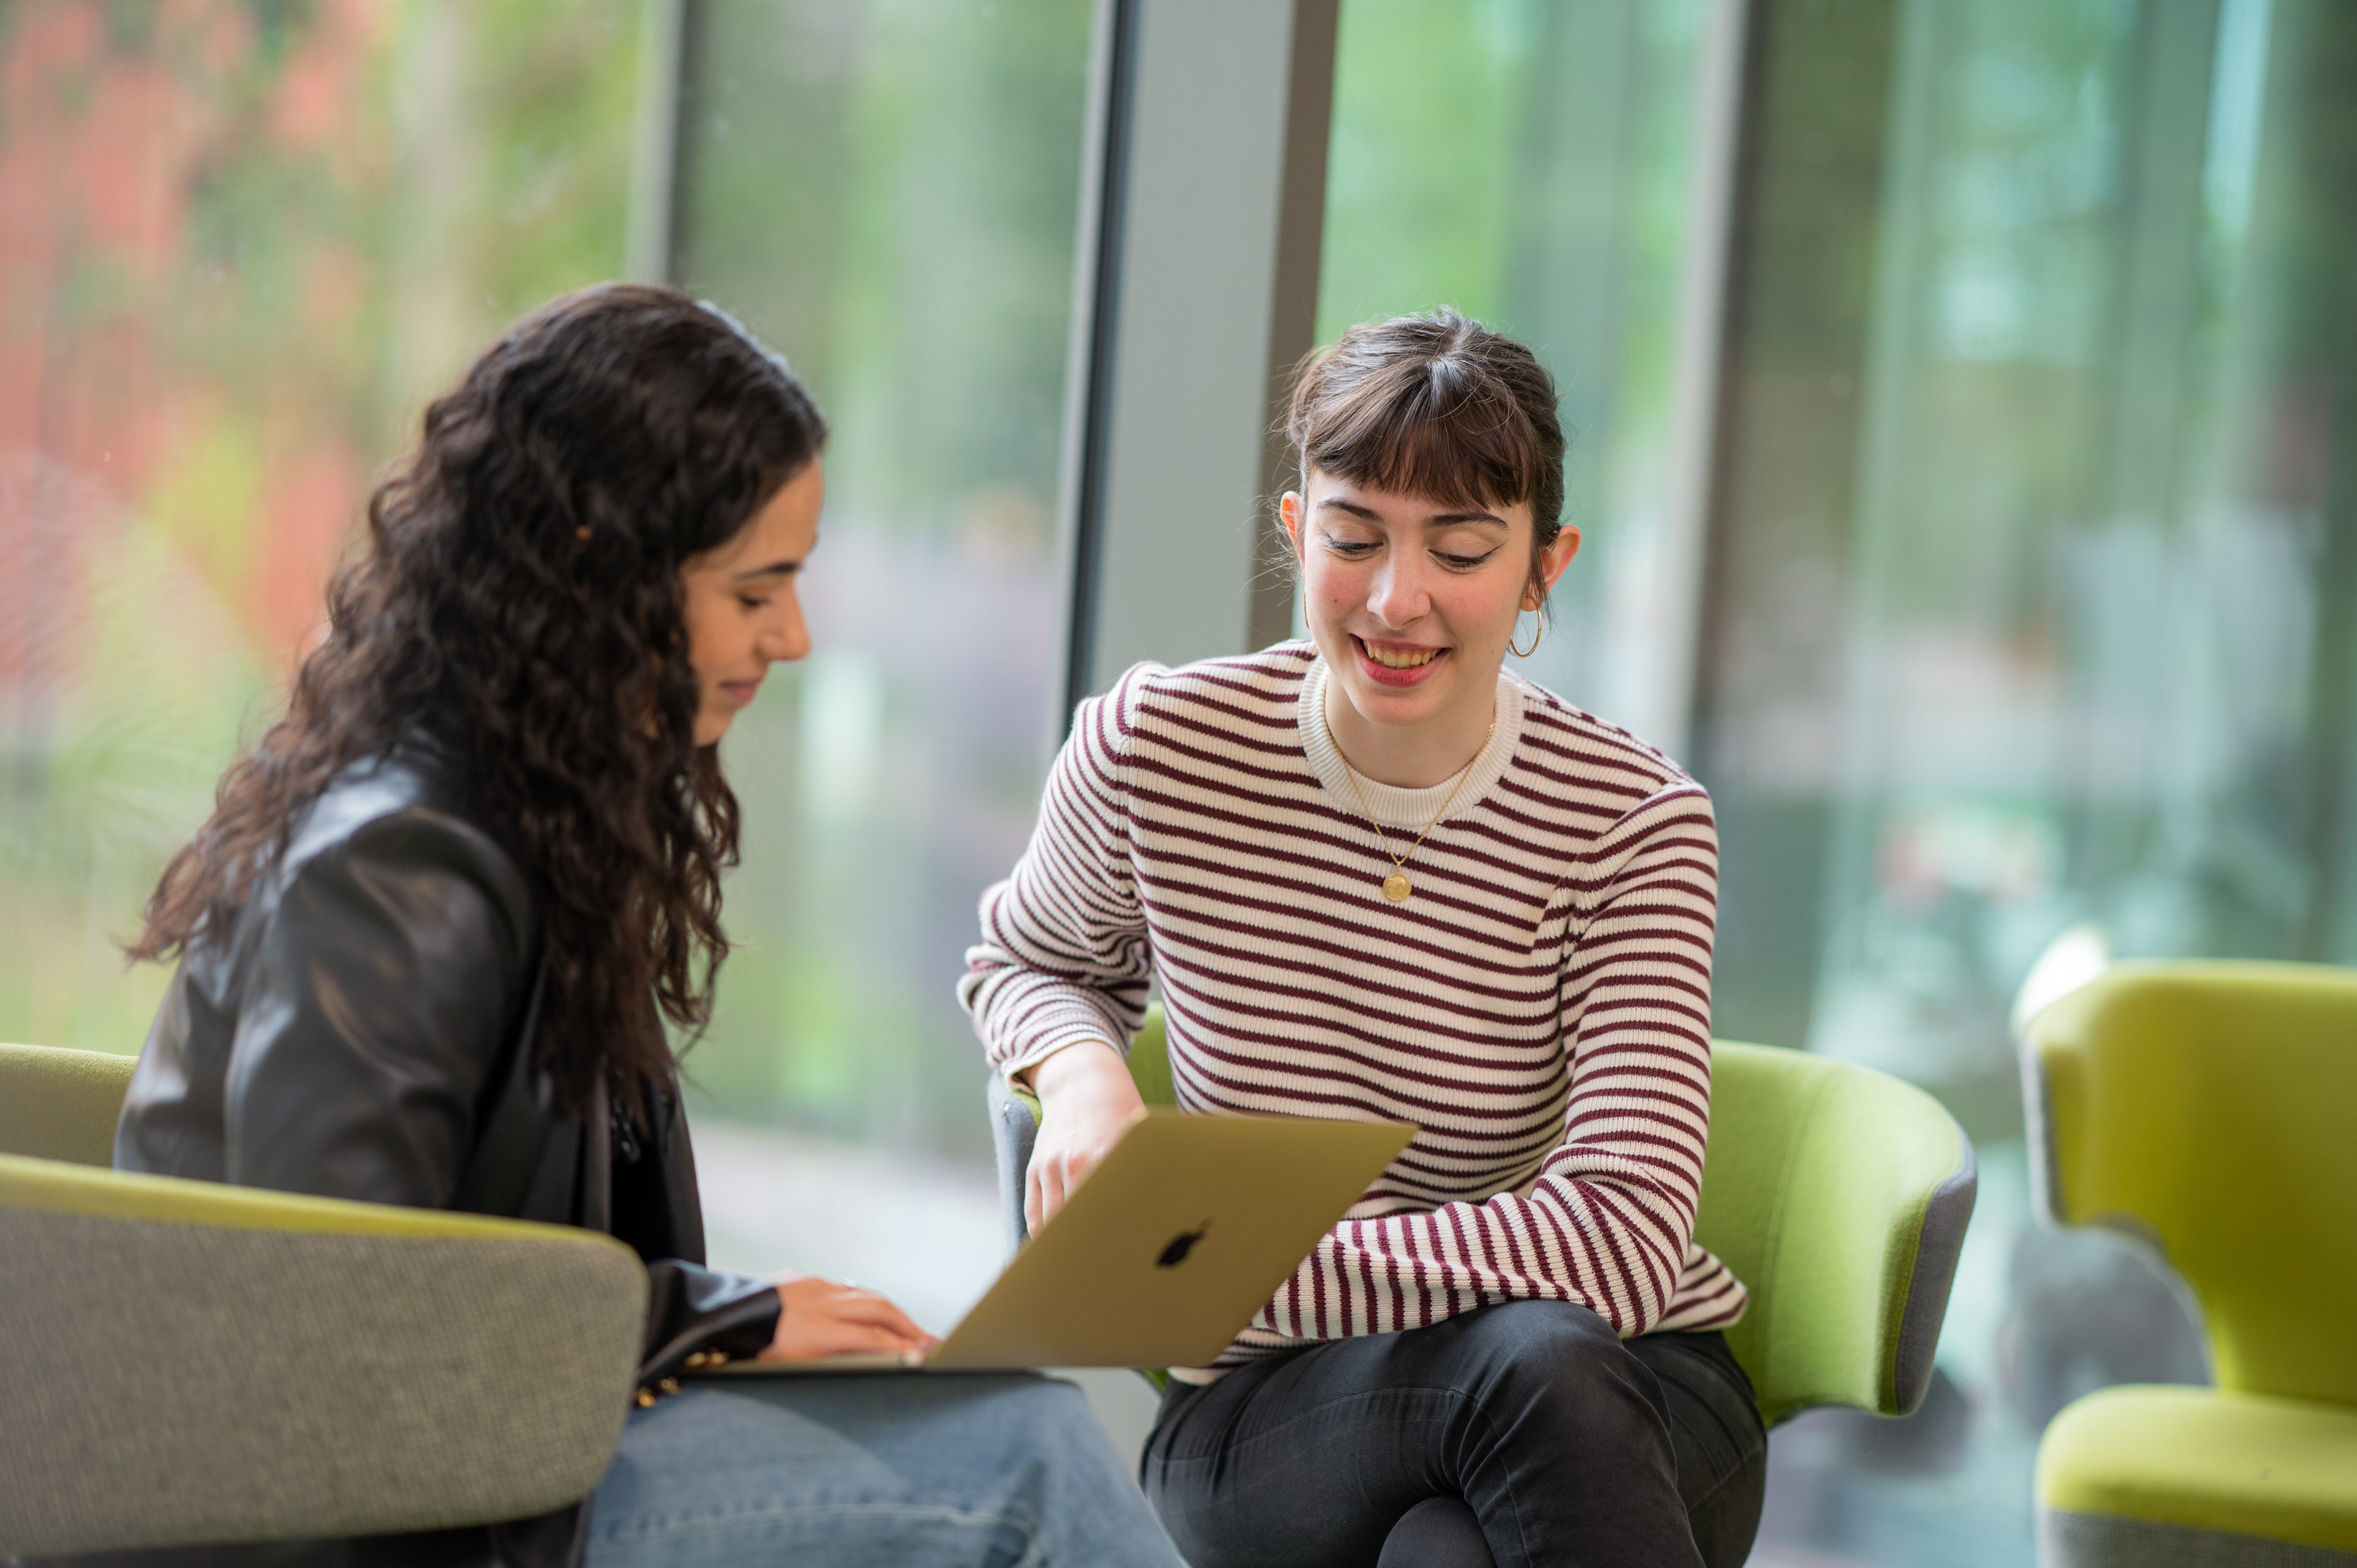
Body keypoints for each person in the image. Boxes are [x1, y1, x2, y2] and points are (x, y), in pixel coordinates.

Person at [109, 284, 1187, 1568]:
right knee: (1028, 1462)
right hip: (359, 1514)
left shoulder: (536, 817)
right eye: (755, 590)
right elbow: (340, 1332)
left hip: (498, 1454)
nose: (792, 637)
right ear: (591, 569)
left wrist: (723, 1329)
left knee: (996, 1417)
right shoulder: (405, 875)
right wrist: (712, 1323)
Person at [962, 309, 1769, 1568]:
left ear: (1545, 566)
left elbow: (1618, 1235)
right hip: (1278, 1405)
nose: (1399, 601)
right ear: (1295, 532)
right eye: (1353, 539)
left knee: (1511, 1423)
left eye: (1461, 550)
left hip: (1630, 1380)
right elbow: (1029, 959)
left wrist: (1223, 1268)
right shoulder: (1159, 747)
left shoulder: (1634, 821)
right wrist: (1080, 1077)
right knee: (1522, 1371)